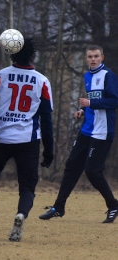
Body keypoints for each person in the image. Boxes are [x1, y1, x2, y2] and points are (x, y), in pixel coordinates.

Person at [0, 37, 54, 242]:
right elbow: (46, 119)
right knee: (27, 186)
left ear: (12, 53)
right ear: (32, 55)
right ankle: (21, 215)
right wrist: (49, 149)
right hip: (28, 141)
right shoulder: (42, 81)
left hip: (2, 138)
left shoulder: (0, 76)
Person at [39, 45, 118, 223]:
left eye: (96, 56)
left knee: (92, 171)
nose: (93, 59)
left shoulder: (108, 75)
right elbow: (91, 100)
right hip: (87, 130)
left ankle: (113, 205)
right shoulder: (87, 76)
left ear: (102, 57)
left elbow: (114, 100)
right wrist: (83, 109)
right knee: (71, 166)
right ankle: (58, 207)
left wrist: (90, 103)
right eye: (89, 56)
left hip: (103, 131)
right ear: (86, 59)